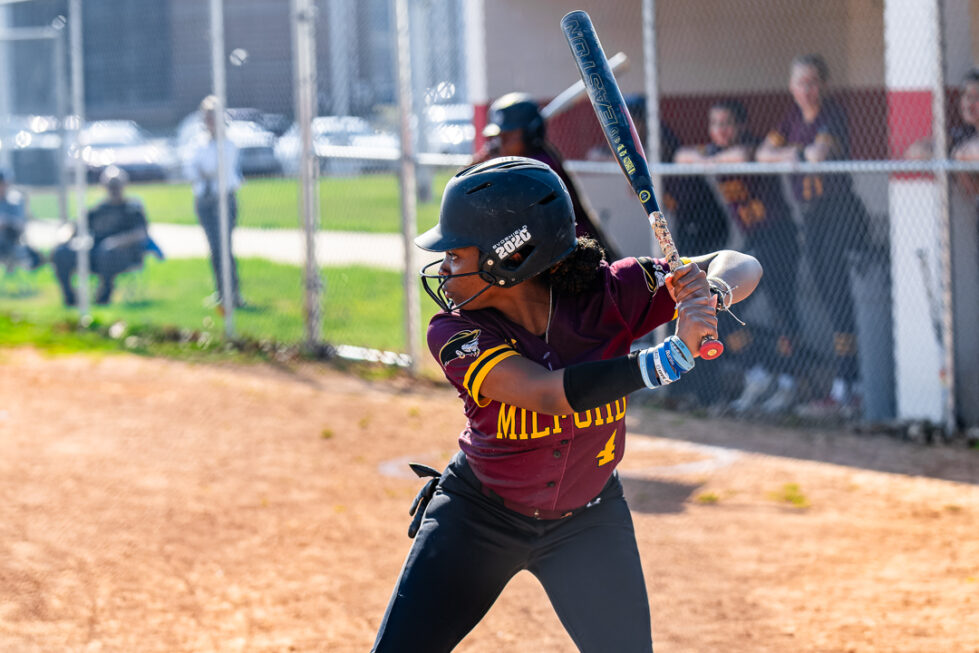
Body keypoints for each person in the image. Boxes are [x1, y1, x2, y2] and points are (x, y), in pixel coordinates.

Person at [371, 157, 762, 652]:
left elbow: (740, 262)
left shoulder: (611, 292)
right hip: (479, 517)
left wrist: (710, 294)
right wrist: (669, 357)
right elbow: (546, 393)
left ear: (510, 257)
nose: (443, 268)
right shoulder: (455, 331)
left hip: (588, 523)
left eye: (454, 254)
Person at [756, 53, 874, 413]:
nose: (806, 90)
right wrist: (793, 153)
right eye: (800, 83)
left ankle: (849, 386)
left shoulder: (831, 114)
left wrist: (795, 154)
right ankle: (844, 384)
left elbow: (819, 154)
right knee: (824, 290)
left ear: (823, 85)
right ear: (791, 87)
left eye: (812, 82)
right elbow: (763, 153)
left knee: (838, 294)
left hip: (838, 211)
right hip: (810, 215)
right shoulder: (791, 118)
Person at [675, 100, 803, 413]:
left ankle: (791, 383)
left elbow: (743, 156)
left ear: (741, 125)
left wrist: (711, 161)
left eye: (727, 123)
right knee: (723, 310)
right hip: (753, 239)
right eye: (715, 124)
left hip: (779, 237)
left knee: (783, 311)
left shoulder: (752, 146)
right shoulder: (713, 151)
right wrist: (709, 159)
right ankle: (757, 373)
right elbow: (680, 156)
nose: (720, 130)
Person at [477, 91, 620, 258]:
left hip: (572, 253)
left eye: (507, 136)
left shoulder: (537, 167)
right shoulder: (521, 162)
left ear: (531, 134)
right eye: (497, 137)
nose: (499, 144)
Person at [52, 166, 151, 306]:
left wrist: (116, 242)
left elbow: (140, 233)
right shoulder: (99, 209)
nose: (114, 189)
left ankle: (104, 296)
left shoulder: (132, 208)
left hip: (124, 255)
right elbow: (75, 226)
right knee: (61, 252)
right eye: (110, 186)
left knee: (107, 252)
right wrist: (64, 239)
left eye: (116, 185)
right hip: (96, 253)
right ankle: (70, 298)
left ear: (124, 185)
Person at [185, 94, 244, 308]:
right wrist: (204, 172)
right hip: (204, 200)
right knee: (214, 248)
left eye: (213, 117)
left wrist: (205, 171)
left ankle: (234, 293)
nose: (209, 121)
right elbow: (190, 168)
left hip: (223, 199)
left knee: (224, 247)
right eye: (206, 117)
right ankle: (221, 292)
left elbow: (218, 169)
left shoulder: (228, 143)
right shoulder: (198, 143)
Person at [0, 169, 43, 274]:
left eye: (3, 184)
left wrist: (6, 221)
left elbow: (21, 225)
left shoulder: (14, 200)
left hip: (10, 240)